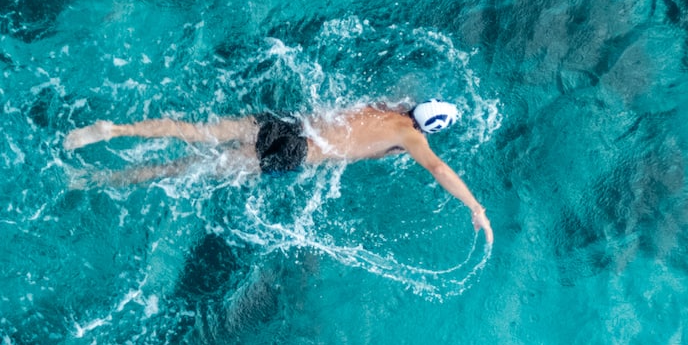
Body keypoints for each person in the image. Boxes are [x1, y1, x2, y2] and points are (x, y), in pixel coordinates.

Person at [61, 100, 493, 244]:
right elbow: (436, 166)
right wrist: (475, 206)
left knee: (193, 131)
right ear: (428, 129)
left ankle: (113, 130)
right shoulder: (412, 139)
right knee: (184, 168)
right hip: (297, 154)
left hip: (287, 125)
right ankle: (97, 180)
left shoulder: (389, 108)